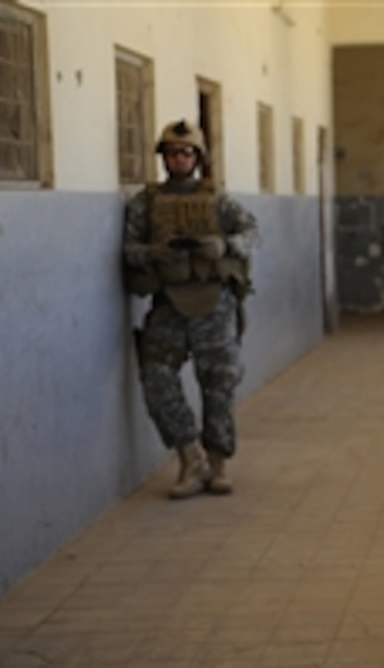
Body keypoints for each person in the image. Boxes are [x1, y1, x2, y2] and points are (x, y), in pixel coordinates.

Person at [123, 119, 260, 499]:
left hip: (215, 303)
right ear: (162, 158)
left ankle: (217, 464)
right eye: (171, 153)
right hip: (168, 303)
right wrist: (154, 252)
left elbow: (253, 234)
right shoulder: (144, 203)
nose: (178, 159)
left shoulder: (219, 200)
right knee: (156, 379)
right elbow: (128, 250)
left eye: (185, 152)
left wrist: (224, 245)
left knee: (219, 386)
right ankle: (190, 457)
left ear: (197, 157)